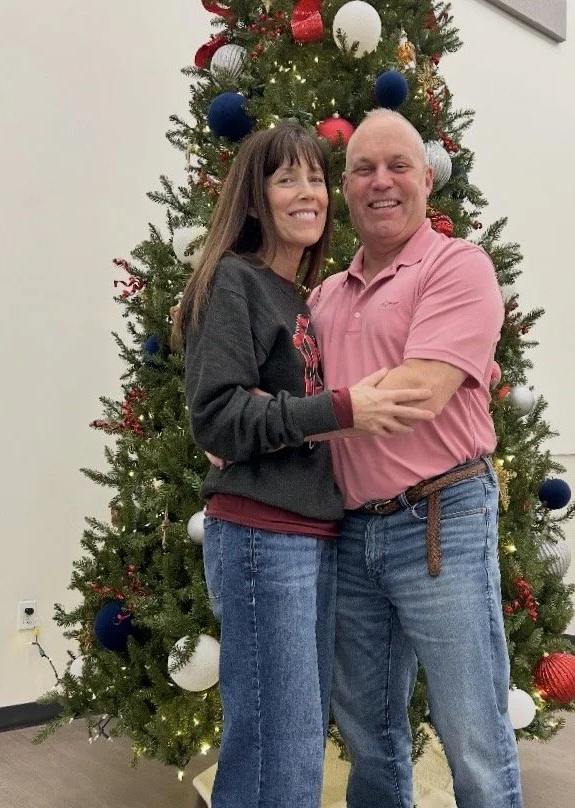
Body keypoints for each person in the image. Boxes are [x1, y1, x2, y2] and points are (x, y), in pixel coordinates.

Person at [172, 122, 434, 808]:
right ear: (254, 200)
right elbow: (218, 415)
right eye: (286, 179)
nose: (307, 193)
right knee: (275, 753)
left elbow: (274, 408)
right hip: (261, 537)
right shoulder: (234, 281)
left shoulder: (301, 299)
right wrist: (338, 410)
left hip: (311, 538)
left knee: (292, 743)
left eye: (316, 178)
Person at [309, 109, 524, 808]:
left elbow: (419, 392)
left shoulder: (455, 265)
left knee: (472, 735)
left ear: (426, 179)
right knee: (368, 738)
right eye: (363, 169)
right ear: (344, 188)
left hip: (442, 520)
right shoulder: (320, 299)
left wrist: (298, 421)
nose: (381, 182)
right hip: (346, 534)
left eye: (397, 166)